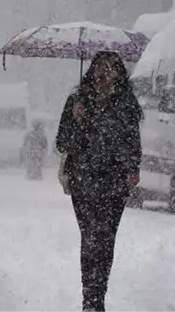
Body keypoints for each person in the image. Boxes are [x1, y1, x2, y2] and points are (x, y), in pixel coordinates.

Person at [55, 51, 142, 312]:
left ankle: (98, 295)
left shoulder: (126, 104)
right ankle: (90, 300)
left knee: (106, 240)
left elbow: (133, 143)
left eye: (111, 67)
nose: (104, 72)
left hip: (114, 182)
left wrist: (132, 168)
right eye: (100, 67)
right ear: (91, 71)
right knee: (91, 237)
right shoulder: (77, 101)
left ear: (119, 73)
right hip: (83, 180)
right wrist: (77, 119)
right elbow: (62, 142)